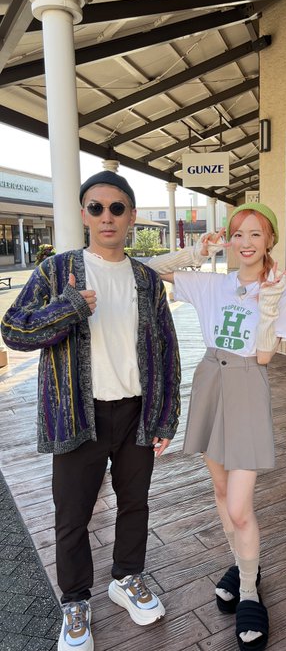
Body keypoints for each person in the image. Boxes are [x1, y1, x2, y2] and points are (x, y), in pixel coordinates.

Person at [1, 171, 181, 651]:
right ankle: (75, 600)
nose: (107, 217)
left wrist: (166, 415)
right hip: (77, 415)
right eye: (96, 208)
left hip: (136, 413)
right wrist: (68, 308)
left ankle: (127, 577)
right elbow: (14, 330)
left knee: (135, 503)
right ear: (84, 214)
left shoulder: (146, 279)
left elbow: (167, 349)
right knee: (72, 514)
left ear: (131, 216)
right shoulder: (57, 271)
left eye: (116, 208)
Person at [152, 202, 286, 651]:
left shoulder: (282, 289)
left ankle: (250, 590)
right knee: (219, 490)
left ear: (270, 239)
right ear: (229, 240)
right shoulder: (213, 284)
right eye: (238, 234)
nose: (246, 242)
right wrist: (197, 252)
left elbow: (266, 356)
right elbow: (146, 268)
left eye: (256, 233)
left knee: (239, 507)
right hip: (211, 380)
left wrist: (268, 302)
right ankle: (242, 564)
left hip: (248, 383)